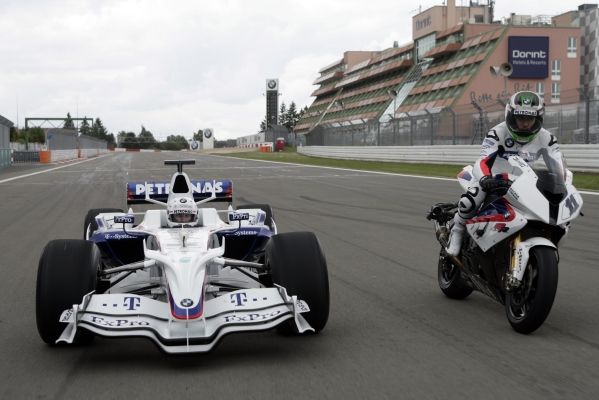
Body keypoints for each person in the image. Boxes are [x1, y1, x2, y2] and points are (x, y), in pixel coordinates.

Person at [446, 91, 566, 256]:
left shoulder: (547, 138)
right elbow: (482, 160)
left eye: (529, 119)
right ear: (510, 115)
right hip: (493, 179)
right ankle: (457, 230)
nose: (524, 124)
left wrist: (562, 184)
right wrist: (485, 179)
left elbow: (559, 166)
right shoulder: (498, 132)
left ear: (538, 119)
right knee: (471, 199)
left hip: (525, 183)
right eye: (520, 118)